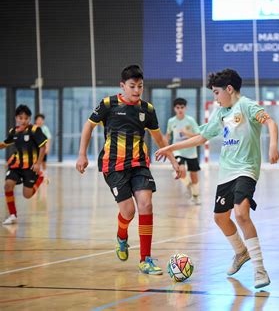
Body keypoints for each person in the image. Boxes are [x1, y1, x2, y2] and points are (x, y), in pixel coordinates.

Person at [155, 68, 279, 289]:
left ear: (229, 89)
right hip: (226, 173)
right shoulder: (220, 113)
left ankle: (260, 269)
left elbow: (271, 122)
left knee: (241, 214)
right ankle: (240, 252)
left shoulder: (247, 106)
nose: (215, 97)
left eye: (216, 92)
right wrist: (170, 147)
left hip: (246, 170)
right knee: (220, 218)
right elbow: (201, 137)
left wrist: (272, 145)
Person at [75, 65, 180, 275]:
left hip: (139, 164)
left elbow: (159, 138)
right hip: (113, 166)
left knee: (146, 205)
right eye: (132, 86)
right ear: (122, 85)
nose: (136, 90)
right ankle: (122, 236)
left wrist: (173, 160)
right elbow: (88, 126)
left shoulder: (147, 110)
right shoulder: (108, 104)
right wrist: (82, 154)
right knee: (128, 211)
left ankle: (145, 259)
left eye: (140, 86)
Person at [0, 105, 47, 225]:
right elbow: (6, 143)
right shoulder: (13, 131)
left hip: (31, 167)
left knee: (27, 195)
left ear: (29, 119)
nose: (23, 120)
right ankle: (12, 215)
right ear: (16, 118)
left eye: (26, 118)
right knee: (7, 185)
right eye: (21, 118)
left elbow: (43, 146)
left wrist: (38, 163)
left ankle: (40, 178)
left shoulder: (35, 130)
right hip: (16, 165)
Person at [166, 98, 201, 205]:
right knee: (180, 170)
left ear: (185, 108)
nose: (180, 110)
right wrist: (166, 148)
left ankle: (195, 195)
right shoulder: (171, 121)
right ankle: (188, 185)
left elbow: (198, 135)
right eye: (178, 108)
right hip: (178, 151)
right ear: (174, 109)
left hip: (191, 151)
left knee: (194, 174)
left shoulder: (190, 120)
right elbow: (167, 135)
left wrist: (187, 134)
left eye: (182, 107)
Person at [34, 113, 52, 177]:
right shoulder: (33, 128)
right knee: (35, 161)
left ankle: (44, 173)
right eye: (38, 120)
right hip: (35, 149)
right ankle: (36, 173)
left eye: (41, 120)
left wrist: (47, 148)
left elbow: (48, 139)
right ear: (35, 121)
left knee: (43, 161)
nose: (39, 121)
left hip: (43, 148)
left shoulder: (45, 128)